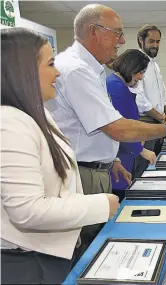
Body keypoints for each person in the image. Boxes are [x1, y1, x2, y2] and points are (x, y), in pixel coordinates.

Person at [45, 4, 166, 256]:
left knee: (95, 243)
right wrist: (165, 129)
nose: (121, 40)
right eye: (116, 33)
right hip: (80, 173)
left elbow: (95, 126)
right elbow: (116, 127)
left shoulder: (92, 70)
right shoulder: (77, 70)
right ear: (94, 31)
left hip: (94, 169)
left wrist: (111, 159)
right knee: (84, 251)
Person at [1, 28, 120, 284]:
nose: (58, 73)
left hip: (45, 254)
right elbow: (27, 210)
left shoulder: (37, 115)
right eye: (51, 64)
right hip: (27, 263)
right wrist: (100, 205)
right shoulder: (9, 123)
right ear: (24, 71)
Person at [107, 49, 157, 201]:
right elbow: (121, 128)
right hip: (119, 157)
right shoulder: (115, 87)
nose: (141, 77)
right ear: (130, 67)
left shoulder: (118, 85)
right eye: (140, 72)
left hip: (124, 156)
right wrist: (141, 150)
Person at [132, 24, 166, 178]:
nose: (155, 45)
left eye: (158, 41)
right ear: (141, 41)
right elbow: (140, 99)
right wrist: (162, 118)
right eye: (151, 41)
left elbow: (163, 92)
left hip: (159, 123)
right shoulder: (137, 64)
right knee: (142, 170)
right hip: (146, 122)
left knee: (156, 167)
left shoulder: (154, 65)